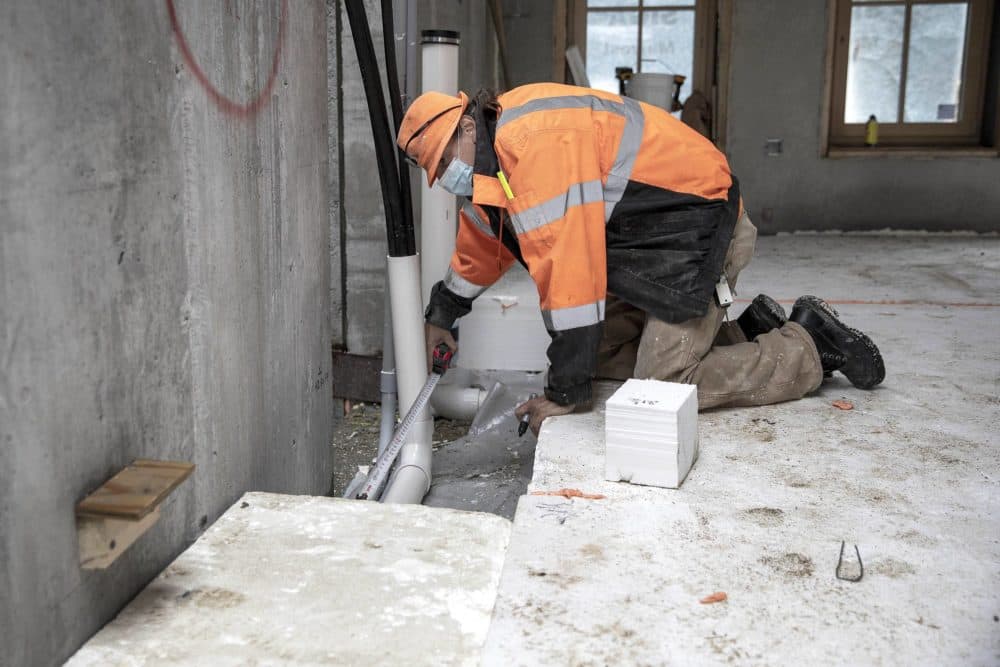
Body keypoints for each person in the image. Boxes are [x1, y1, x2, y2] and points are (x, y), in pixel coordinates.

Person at [397, 83, 884, 436]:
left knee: (663, 382)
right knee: (603, 354)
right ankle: (748, 331)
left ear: (465, 125)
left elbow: (572, 282)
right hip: (649, 247)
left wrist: (565, 393)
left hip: (697, 229)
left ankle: (809, 345)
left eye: (443, 160)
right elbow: (484, 243)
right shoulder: (496, 160)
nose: (445, 176)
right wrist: (443, 314)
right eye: (435, 171)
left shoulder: (534, 147)